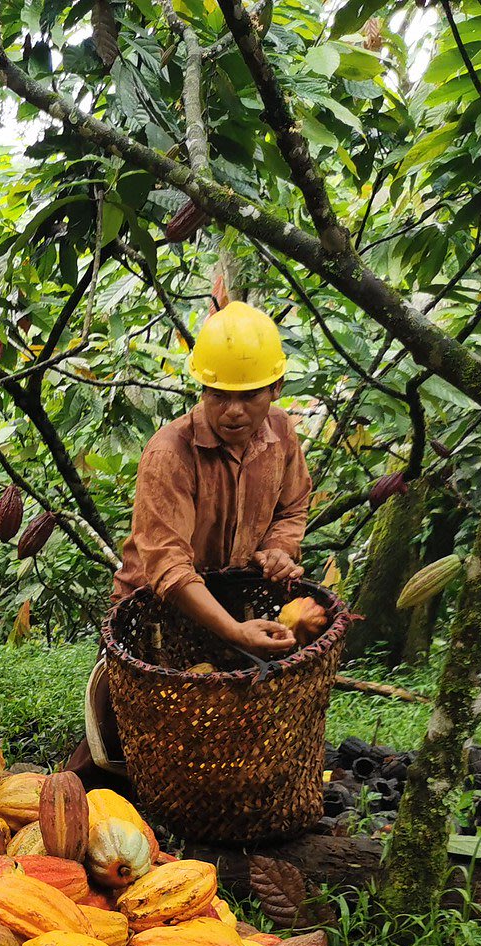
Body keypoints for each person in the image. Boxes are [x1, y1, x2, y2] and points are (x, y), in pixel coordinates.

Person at [82, 301, 314, 773]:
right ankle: (91, 779)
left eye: (248, 396)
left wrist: (278, 550)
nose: (232, 411)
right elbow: (168, 566)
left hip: (231, 601)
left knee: (216, 735)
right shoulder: (171, 452)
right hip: (156, 609)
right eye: (217, 394)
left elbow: (292, 507)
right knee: (135, 736)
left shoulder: (283, 435)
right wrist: (232, 630)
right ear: (202, 388)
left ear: (275, 388)